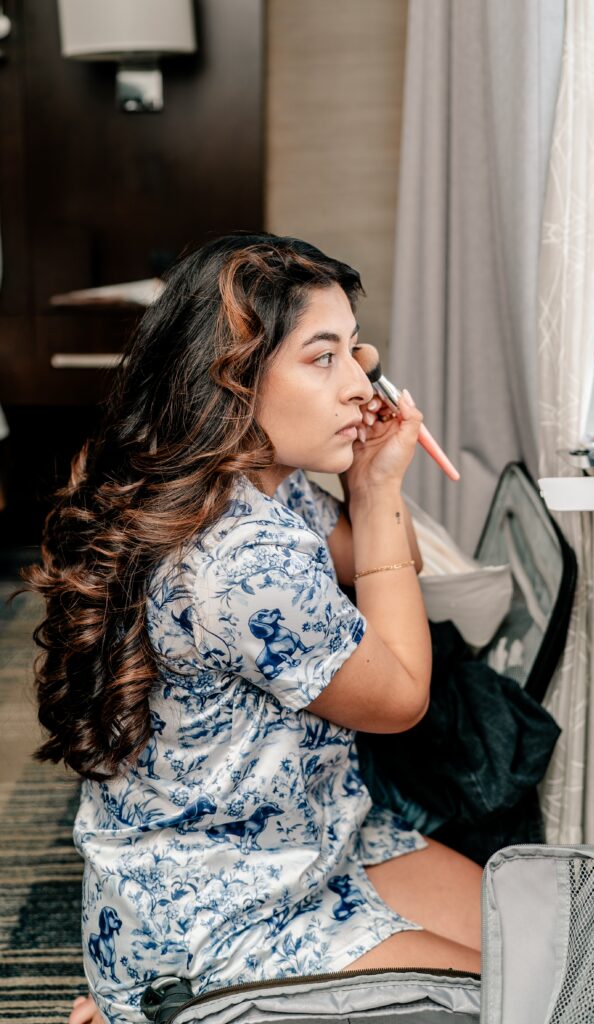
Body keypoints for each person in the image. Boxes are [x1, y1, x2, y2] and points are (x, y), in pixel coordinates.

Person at [25, 234, 482, 1024]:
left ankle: (128, 998)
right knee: (543, 998)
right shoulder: (240, 561)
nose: (361, 386)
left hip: (309, 841)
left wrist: (368, 482)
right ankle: (165, 1004)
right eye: (322, 358)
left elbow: (385, 554)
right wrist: (373, 493)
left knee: (567, 947)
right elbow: (400, 695)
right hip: (225, 910)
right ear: (230, 380)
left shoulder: (246, 481)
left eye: (357, 353)